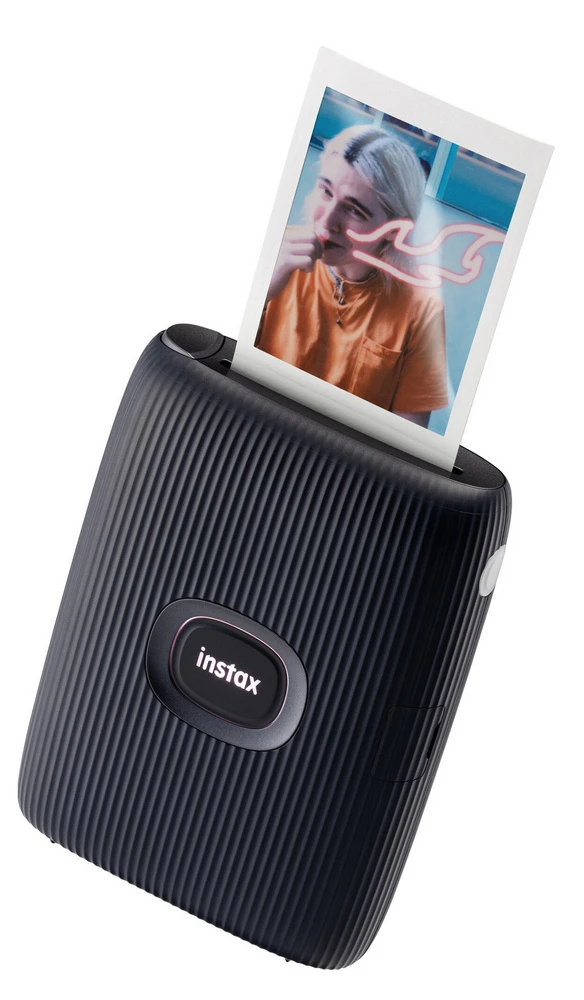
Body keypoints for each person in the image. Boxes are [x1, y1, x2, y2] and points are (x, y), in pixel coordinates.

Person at [256, 125, 449, 427]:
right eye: (326, 191)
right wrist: (263, 291)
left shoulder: (422, 311)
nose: (327, 221)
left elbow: (406, 443)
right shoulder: (271, 248)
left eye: (354, 210)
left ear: (395, 231)